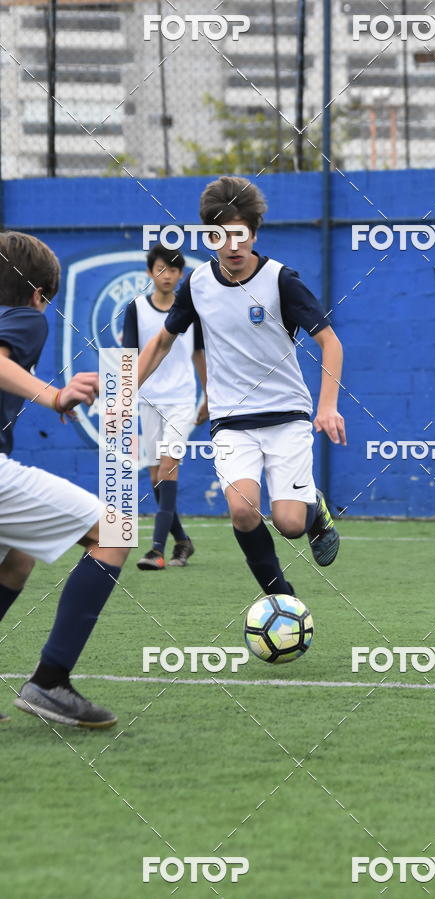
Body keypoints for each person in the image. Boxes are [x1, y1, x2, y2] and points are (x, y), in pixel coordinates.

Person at [136, 176, 346, 599]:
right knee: (243, 511)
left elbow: (330, 342)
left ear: (254, 233)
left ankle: (314, 508)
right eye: (219, 236)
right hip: (231, 420)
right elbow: (161, 342)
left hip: (286, 415)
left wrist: (328, 407)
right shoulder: (198, 284)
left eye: (240, 234)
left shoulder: (281, 280)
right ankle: (281, 598)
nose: (231, 246)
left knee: (289, 524)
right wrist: (122, 395)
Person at [0, 230, 125, 727]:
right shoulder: (27, 317)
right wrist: (54, 395)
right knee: (113, 531)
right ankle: (50, 683)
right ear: (39, 294)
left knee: (17, 558)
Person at [122, 243, 206, 570]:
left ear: (181, 274)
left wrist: (208, 395)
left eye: (173, 270)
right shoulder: (136, 308)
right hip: (147, 399)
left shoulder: (190, 310)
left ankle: (156, 550)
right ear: (149, 272)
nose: (167, 275)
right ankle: (182, 540)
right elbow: (129, 357)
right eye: (160, 269)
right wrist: (124, 396)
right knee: (156, 474)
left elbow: (199, 354)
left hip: (182, 400)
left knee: (169, 466)